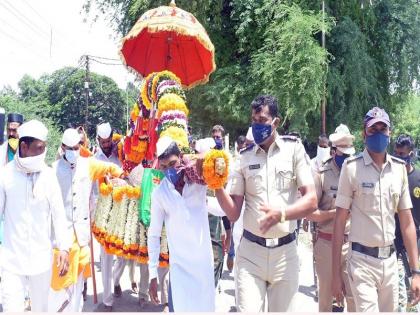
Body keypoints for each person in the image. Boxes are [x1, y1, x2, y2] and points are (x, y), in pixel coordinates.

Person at [214, 95, 317, 312]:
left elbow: (311, 200)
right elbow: (233, 213)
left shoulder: (294, 149)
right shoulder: (244, 158)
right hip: (251, 255)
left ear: (275, 122)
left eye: (262, 119)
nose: (257, 124)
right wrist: (215, 185)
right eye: (254, 119)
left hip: (285, 255)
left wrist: (282, 213)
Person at [332, 107, 420, 312]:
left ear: (390, 133)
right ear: (364, 134)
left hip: (390, 261)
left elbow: (407, 223)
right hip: (361, 262)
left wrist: (416, 271)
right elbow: (339, 223)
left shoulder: (398, 170)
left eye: (383, 129)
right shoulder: (351, 168)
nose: (378, 134)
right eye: (373, 130)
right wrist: (336, 274)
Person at [48, 128, 124, 312]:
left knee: (78, 283)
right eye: (70, 148)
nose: (74, 151)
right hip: (60, 236)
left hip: (82, 236)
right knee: (61, 285)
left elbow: (112, 168)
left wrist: (120, 177)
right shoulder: (53, 169)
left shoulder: (89, 164)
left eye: (77, 147)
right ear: (63, 147)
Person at [0, 120, 71, 312]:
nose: (43, 153)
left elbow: (58, 215)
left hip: (41, 260)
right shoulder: (5, 175)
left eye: (44, 148)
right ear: (24, 146)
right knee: (11, 310)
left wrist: (64, 248)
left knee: (41, 310)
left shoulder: (48, 176)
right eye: (38, 149)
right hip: (11, 262)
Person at [148, 136, 215, 312]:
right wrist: (153, 274)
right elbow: (154, 234)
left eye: (172, 164)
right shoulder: (159, 193)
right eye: (163, 167)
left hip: (203, 266)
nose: (168, 171)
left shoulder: (199, 180)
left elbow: (220, 192)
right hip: (179, 271)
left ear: (180, 156)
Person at [306, 124, 356, 312]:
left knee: (354, 300)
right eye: (343, 154)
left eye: (349, 154)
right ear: (334, 151)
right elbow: (310, 213)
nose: (347, 159)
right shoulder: (321, 174)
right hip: (326, 244)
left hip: (351, 245)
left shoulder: (357, 172)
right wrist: (335, 214)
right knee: (327, 301)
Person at [94, 122, 126, 311]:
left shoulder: (121, 155)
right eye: (102, 142)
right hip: (102, 213)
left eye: (108, 141)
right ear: (97, 140)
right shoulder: (94, 159)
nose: (106, 145)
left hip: (121, 210)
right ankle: (107, 300)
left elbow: (128, 177)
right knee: (105, 257)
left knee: (122, 255)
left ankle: (115, 279)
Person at [392, 134, 420, 311]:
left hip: (414, 244)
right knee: (399, 293)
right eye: (396, 153)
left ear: (411, 154)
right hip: (393, 243)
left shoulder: (417, 178)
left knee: (414, 290)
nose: (399, 157)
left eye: (402, 154)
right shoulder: (391, 177)